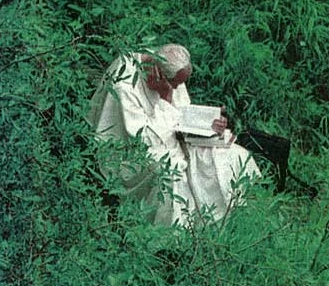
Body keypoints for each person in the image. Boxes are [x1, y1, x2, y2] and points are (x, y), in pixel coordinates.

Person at [87, 44, 260, 227]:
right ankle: (170, 235)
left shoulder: (164, 65)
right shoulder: (124, 85)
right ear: (159, 73)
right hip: (129, 153)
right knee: (172, 174)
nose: (177, 88)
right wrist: (165, 97)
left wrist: (208, 124)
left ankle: (216, 220)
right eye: (175, 84)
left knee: (232, 154)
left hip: (169, 138)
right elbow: (144, 139)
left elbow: (181, 114)